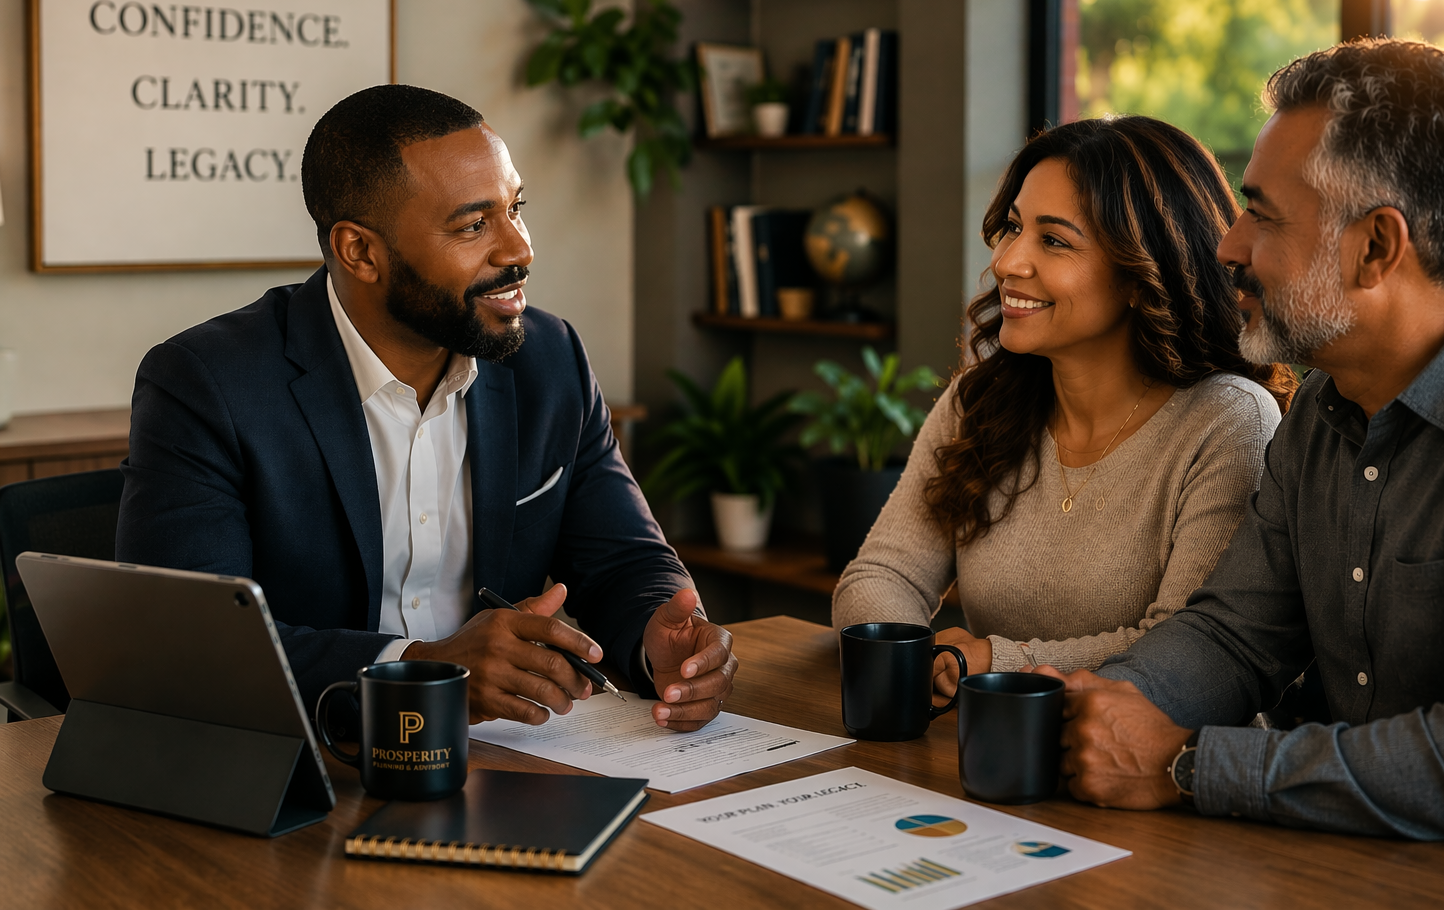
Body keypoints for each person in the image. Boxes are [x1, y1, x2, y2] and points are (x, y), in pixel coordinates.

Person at [116, 84, 736, 732]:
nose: (518, 249)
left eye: (515, 209)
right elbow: (192, 642)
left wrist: (660, 637)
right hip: (307, 769)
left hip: (506, 761)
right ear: (361, 252)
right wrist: (421, 673)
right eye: (473, 226)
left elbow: (623, 560)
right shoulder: (208, 383)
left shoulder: (549, 359)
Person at [1046, 38, 1444, 843]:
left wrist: (1187, 763)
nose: (1228, 246)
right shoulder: (1319, 409)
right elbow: (1236, 636)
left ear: (1377, 246)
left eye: (1262, 215)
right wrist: (1095, 706)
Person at [832, 116, 1296, 692]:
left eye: (1053, 240)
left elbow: (1192, 648)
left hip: (1141, 766)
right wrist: (916, 659)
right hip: (992, 743)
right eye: (1013, 227)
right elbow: (881, 575)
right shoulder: (980, 401)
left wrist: (991, 661)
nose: (1006, 263)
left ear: (1141, 272)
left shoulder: (1228, 421)